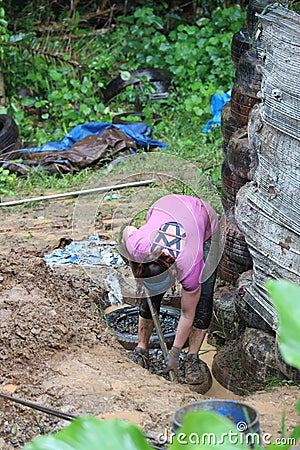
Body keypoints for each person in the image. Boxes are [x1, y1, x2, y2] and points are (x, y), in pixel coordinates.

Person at [120, 194, 220, 393]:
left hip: (205, 225)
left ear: (174, 273)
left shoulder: (190, 265)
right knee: (149, 297)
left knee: (203, 300)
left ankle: (192, 357)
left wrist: (174, 355)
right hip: (164, 207)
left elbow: (186, 314)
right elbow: (126, 231)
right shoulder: (139, 245)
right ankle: (141, 348)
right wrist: (134, 266)